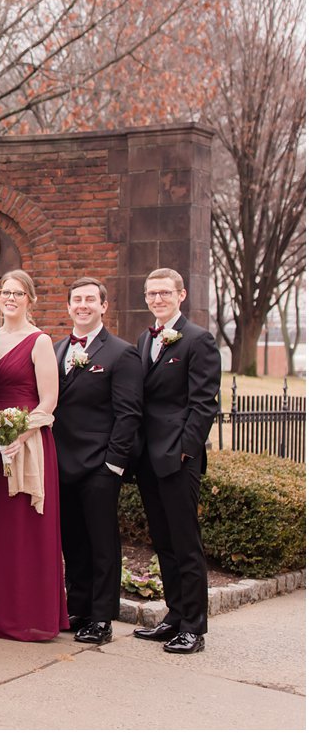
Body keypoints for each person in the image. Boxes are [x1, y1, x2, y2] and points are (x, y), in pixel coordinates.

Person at [0, 269, 66, 642]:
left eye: (18, 293)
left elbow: (49, 400)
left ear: (30, 299)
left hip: (29, 444)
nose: (10, 298)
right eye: (5, 292)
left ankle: (28, 614)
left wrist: (20, 435)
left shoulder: (39, 341)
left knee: (25, 529)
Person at [131, 267, 220, 655]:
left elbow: (204, 403)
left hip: (178, 457)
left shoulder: (199, 340)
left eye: (165, 293)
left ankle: (193, 627)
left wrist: (186, 449)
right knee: (163, 541)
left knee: (185, 543)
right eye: (151, 294)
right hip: (148, 457)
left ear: (181, 295)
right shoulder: (143, 338)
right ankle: (174, 615)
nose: (157, 299)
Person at [53, 277, 142, 646]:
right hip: (61, 462)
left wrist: (113, 465)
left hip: (99, 466)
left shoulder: (121, 353)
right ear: (69, 306)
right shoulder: (56, 349)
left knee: (102, 544)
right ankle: (78, 608)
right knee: (72, 542)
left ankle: (102, 618)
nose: (83, 305)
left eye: (91, 299)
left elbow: (129, 414)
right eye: (77, 300)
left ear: (104, 306)